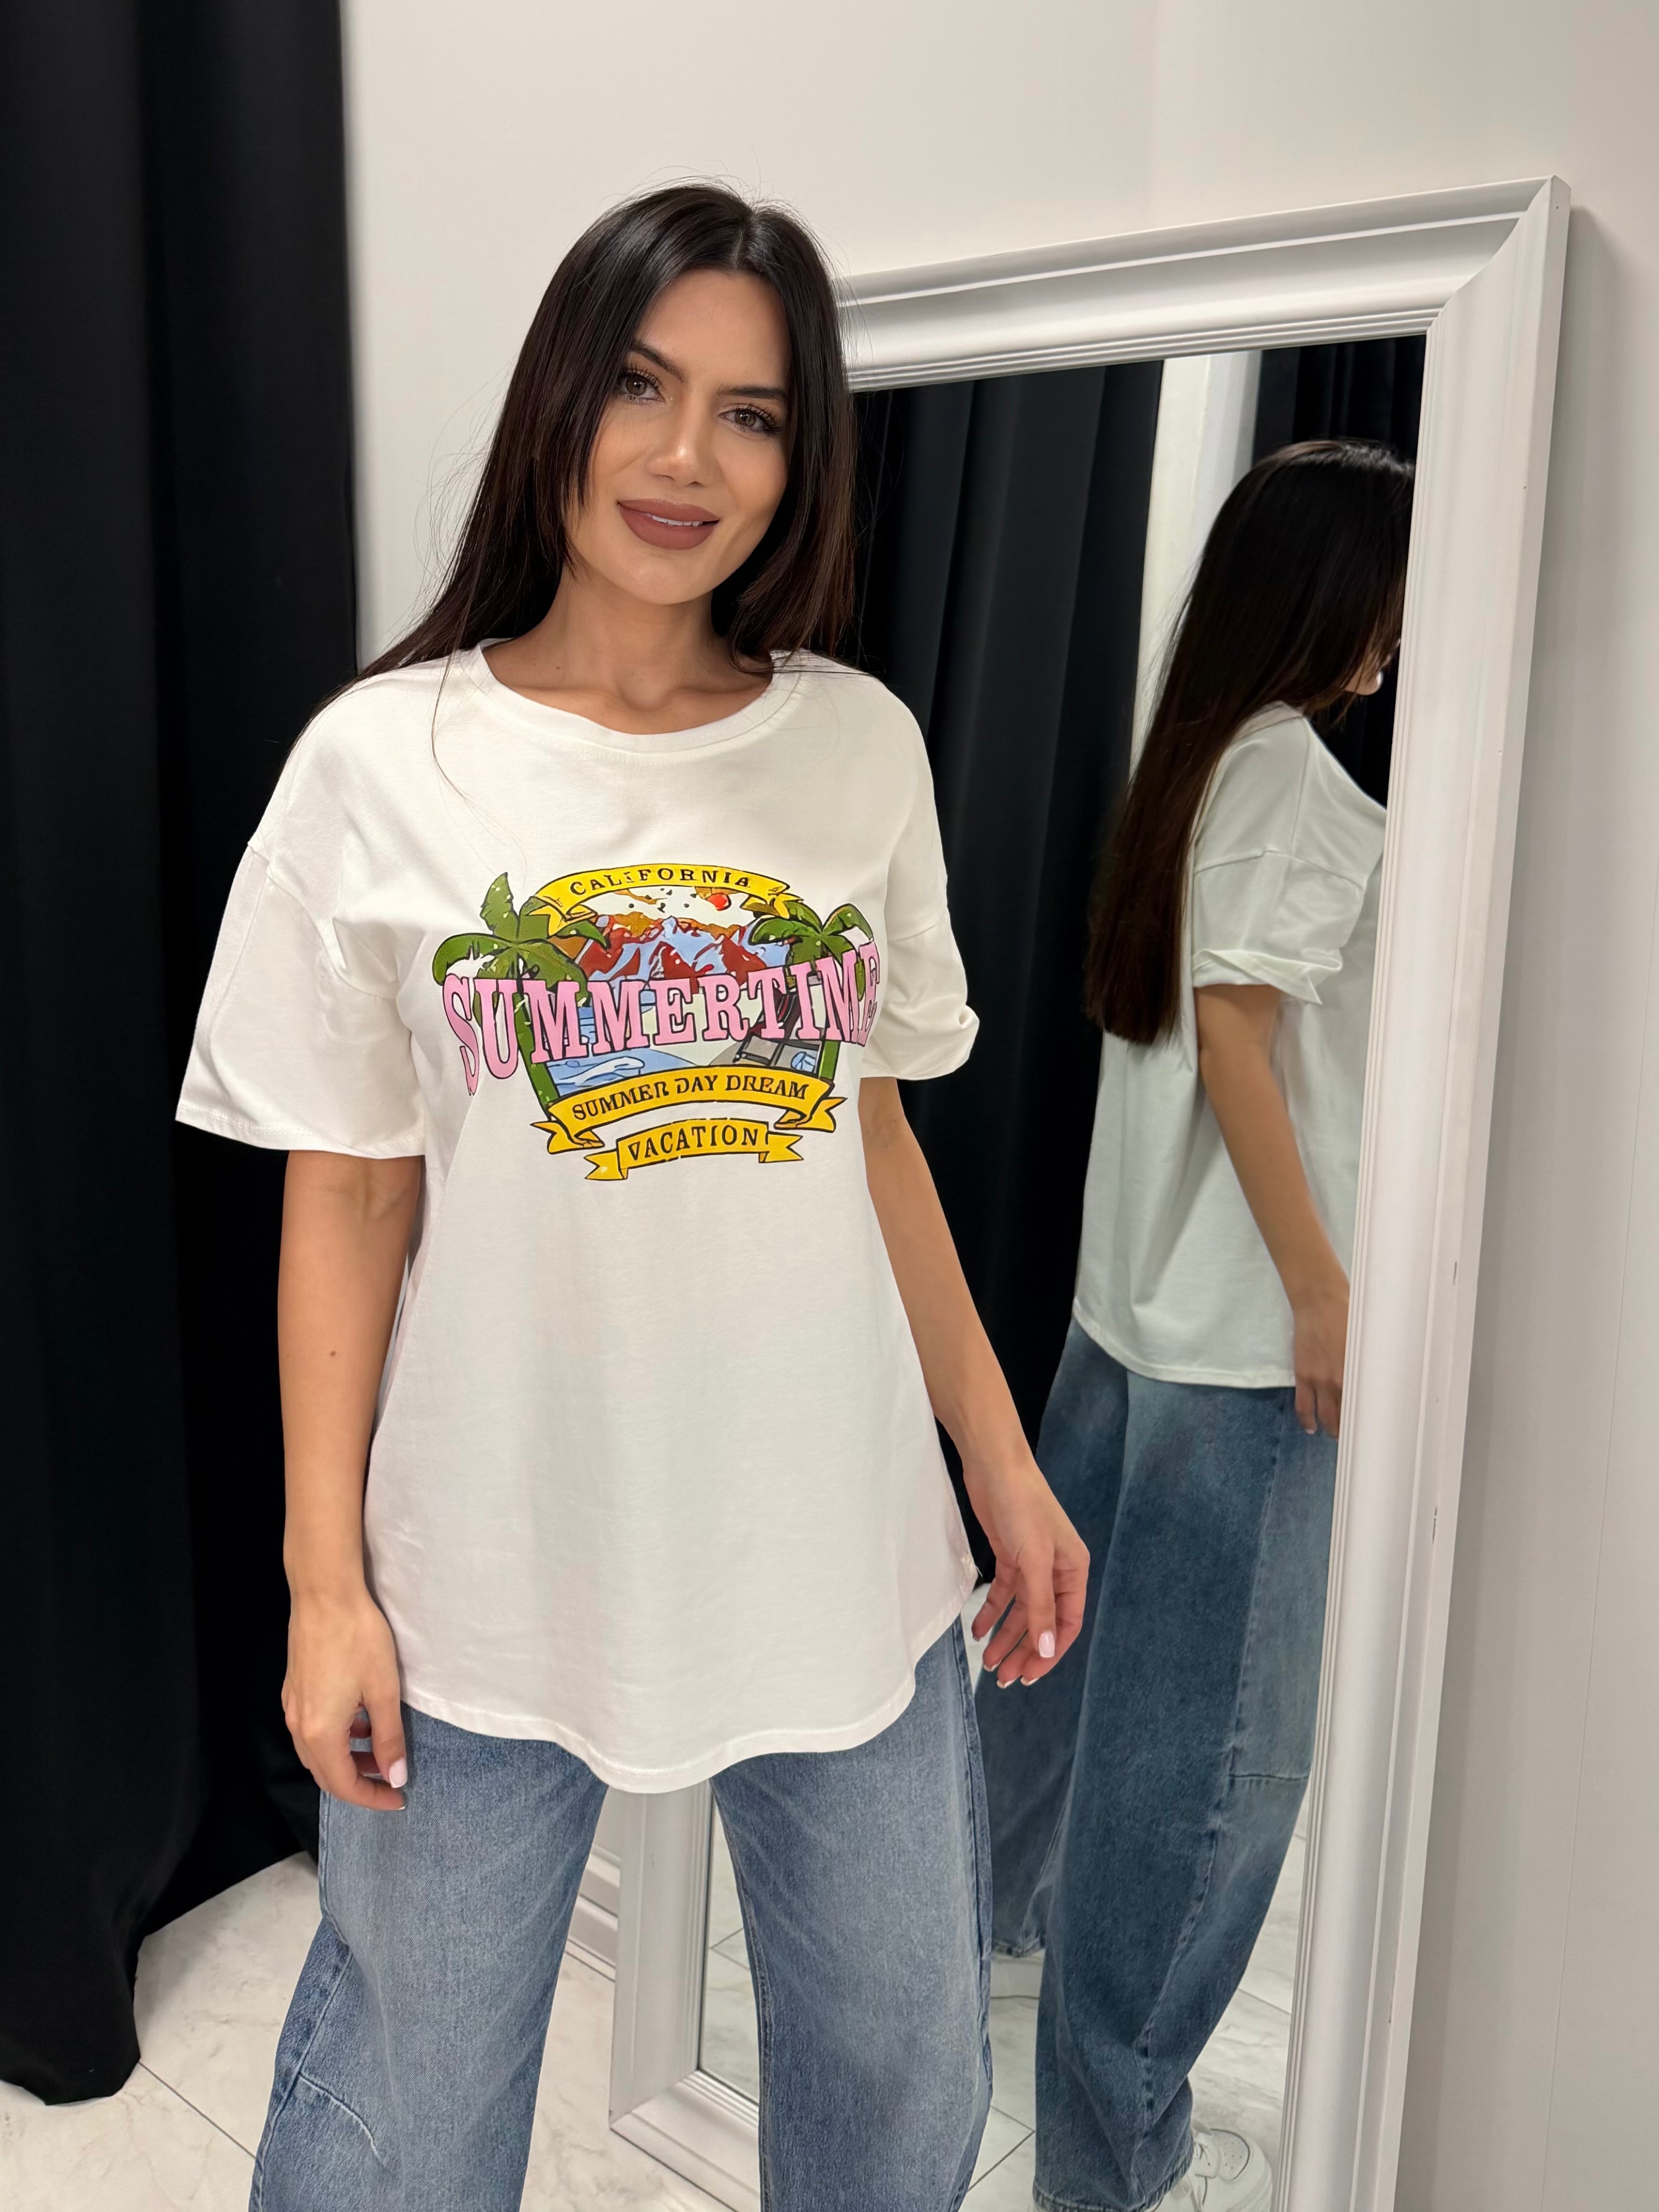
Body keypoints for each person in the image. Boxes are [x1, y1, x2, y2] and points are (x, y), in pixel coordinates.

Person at [178, 183, 1088, 2212]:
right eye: (642, 388)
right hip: (489, 1563)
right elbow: (348, 1195)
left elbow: (866, 1133)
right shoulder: (383, 763)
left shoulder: (855, 750)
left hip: (836, 1551)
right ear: (559, 402)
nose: (687, 459)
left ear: (802, 454)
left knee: (899, 2093)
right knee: (402, 2126)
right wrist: (325, 1583)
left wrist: (1000, 1464)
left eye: (752, 415)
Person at [974, 441, 1414, 2212]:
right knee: (1210, 1765)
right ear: (1330, 593)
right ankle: (1113, 2154)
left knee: (1053, 1664)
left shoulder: (1201, 755)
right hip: (1238, 1339)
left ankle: (971, 1944)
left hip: (1136, 1303)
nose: (1401, 628)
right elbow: (1238, 1034)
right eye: (1389, 591)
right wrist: (1324, 1287)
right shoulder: (1288, 769)